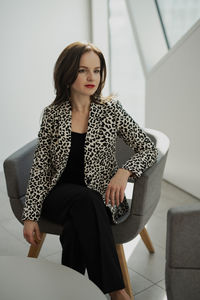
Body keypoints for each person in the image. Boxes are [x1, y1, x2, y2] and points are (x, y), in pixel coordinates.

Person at [22, 41, 158, 300]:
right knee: (86, 200)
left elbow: (147, 148)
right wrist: (30, 216)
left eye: (97, 70)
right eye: (83, 70)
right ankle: (117, 291)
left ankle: (70, 291)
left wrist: (124, 171)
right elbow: (40, 167)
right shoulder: (53, 115)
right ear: (67, 72)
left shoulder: (111, 111)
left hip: (97, 199)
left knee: (79, 221)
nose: (91, 77)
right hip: (58, 195)